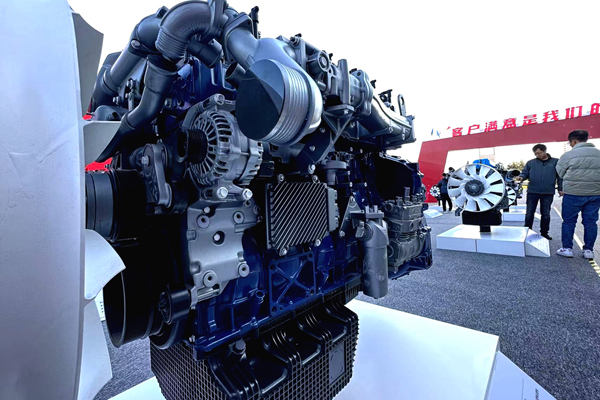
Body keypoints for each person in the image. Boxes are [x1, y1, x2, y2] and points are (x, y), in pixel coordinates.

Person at [555, 130, 600, 259]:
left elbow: (560, 173)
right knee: (591, 222)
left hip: (573, 193)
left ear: (573, 141)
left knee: (569, 221)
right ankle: (588, 251)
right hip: (595, 193)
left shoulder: (568, 155)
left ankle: (567, 248)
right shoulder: (598, 154)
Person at [515, 144, 562, 240]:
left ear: (545, 151)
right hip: (532, 191)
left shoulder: (556, 162)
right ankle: (527, 231)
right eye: (535, 154)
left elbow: (560, 177)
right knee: (529, 213)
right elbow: (525, 173)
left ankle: (544, 233)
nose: (537, 155)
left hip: (548, 192)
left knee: (546, 214)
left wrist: (561, 188)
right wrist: (521, 177)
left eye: (539, 153)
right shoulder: (530, 163)